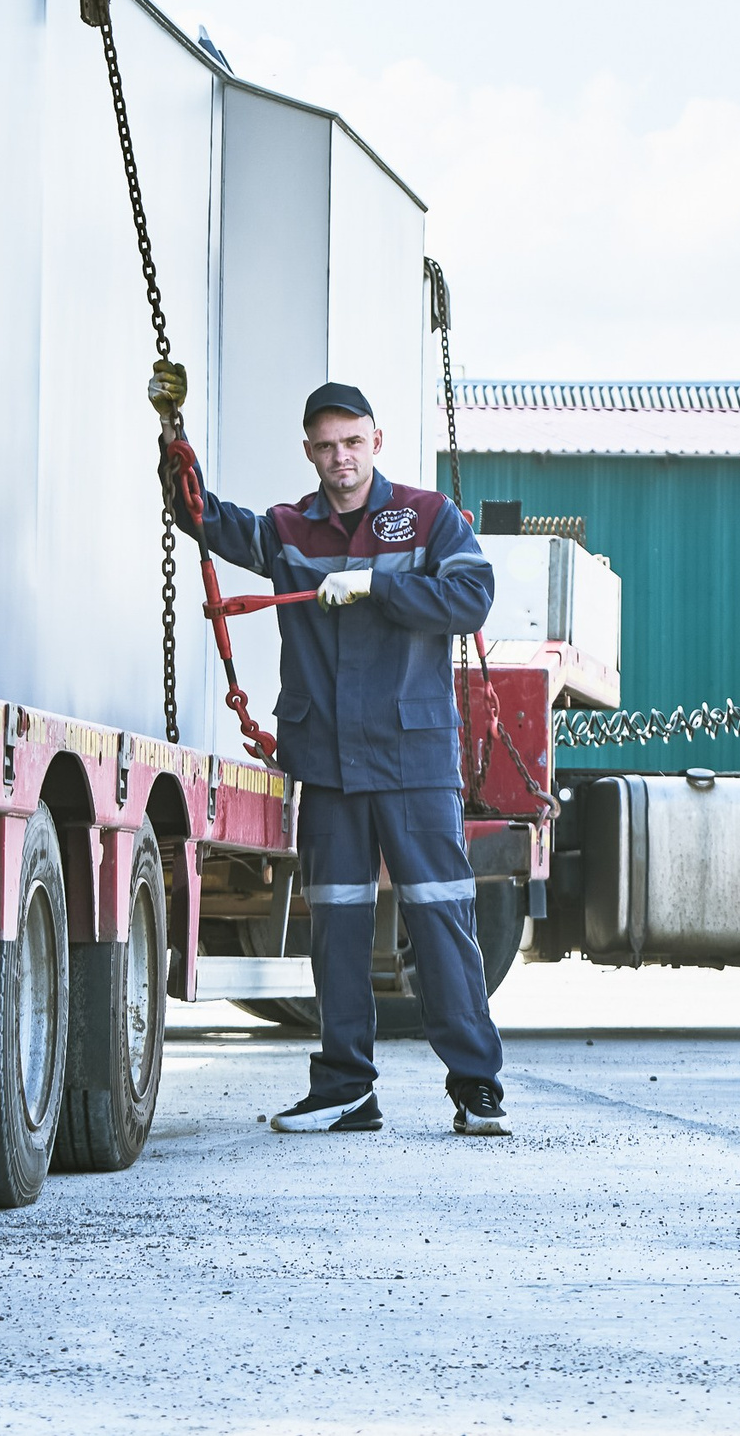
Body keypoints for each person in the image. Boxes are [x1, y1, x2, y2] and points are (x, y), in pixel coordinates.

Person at [161, 379, 509, 1136]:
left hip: (413, 759)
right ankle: (346, 1087)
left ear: (375, 442)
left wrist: (380, 586)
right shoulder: (288, 531)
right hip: (326, 761)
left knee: (440, 919)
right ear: (309, 452)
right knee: (337, 926)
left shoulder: (428, 517)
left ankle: (477, 1085)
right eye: (326, 446)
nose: (341, 457)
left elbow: (472, 598)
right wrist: (172, 450)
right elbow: (205, 520)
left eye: (353, 442)